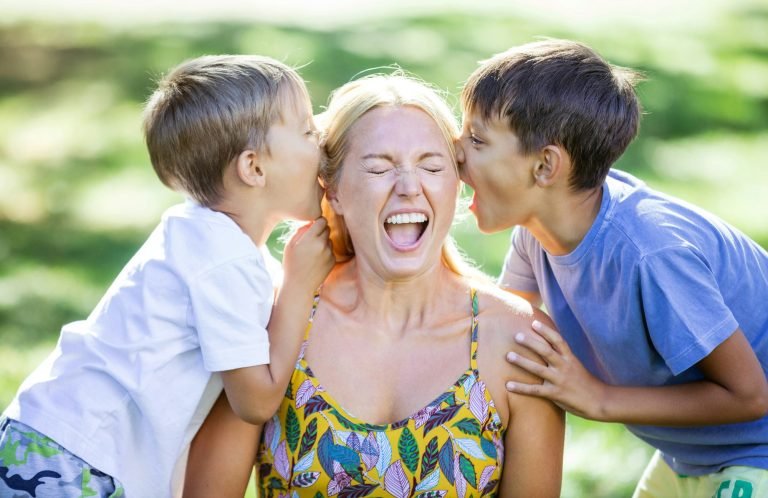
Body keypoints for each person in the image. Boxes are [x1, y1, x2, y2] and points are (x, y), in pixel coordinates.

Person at [182, 74, 565, 498]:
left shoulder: (520, 344)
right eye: (379, 168)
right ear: (336, 191)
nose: (408, 187)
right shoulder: (272, 325)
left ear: (456, 186)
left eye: (432, 166)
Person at [0, 55, 334, 498]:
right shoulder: (222, 262)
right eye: (309, 131)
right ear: (253, 168)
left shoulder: (207, 239)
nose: (323, 142)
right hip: (71, 460)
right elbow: (254, 401)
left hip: (55, 439)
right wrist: (299, 285)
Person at [457, 38, 768, 497]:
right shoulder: (535, 235)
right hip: (689, 456)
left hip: (755, 452)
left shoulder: (649, 254)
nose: (455, 150)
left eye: (476, 139)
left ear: (546, 165)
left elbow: (750, 395)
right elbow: (498, 334)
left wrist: (598, 399)